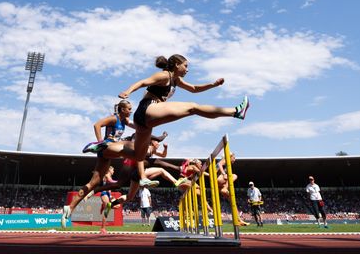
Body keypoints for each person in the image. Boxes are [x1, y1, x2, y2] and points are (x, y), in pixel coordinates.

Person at [118, 54, 250, 187]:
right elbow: (143, 82)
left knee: (138, 156)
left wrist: (213, 84)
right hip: (148, 108)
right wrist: (127, 91)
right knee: (193, 107)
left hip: (143, 120)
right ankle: (235, 111)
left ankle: (106, 147)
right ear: (177, 65)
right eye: (185, 66)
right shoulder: (165, 76)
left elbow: (193, 89)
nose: (187, 70)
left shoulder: (177, 80)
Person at [62, 100, 142, 228]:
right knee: (131, 145)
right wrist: (100, 142)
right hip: (106, 147)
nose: (131, 111)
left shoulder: (125, 121)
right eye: (129, 109)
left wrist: (151, 132)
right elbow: (97, 125)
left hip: (108, 154)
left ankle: (69, 208)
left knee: (92, 183)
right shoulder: (113, 119)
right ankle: (96, 145)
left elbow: (138, 127)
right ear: (122, 110)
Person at [99, 166, 117, 234]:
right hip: (104, 193)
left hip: (108, 194)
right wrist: (119, 182)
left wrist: (111, 196)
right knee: (107, 211)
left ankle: (103, 205)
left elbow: (109, 187)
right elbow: (111, 181)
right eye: (113, 170)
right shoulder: (107, 175)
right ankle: (102, 229)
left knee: (117, 206)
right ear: (109, 170)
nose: (114, 171)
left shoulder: (110, 176)